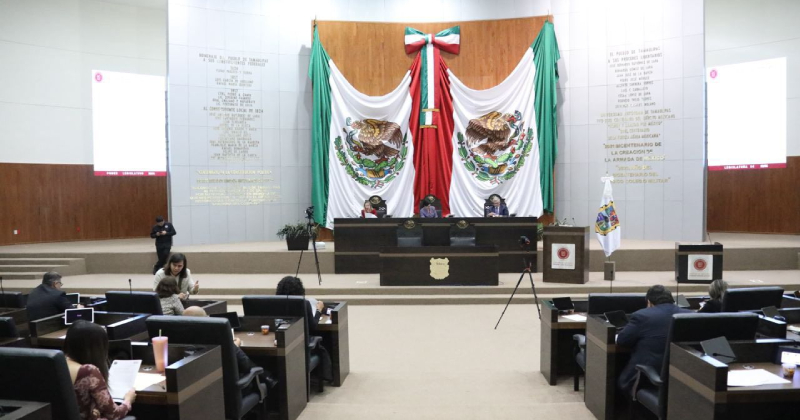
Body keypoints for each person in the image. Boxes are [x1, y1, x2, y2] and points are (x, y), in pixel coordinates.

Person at [616, 285, 690, 398]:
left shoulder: (642, 315)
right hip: (683, 379)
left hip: (647, 379)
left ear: (649, 302)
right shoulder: (689, 315)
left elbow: (622, 341)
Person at [183, 306, 278, 391]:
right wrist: (234, 346)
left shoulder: (182, 342)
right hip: (235, 390)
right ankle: (270, 380)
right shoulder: (219, 340)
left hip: (202, 392)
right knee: (257, 369)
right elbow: (245, 365)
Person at [64, 320, 136, 420]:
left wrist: (93, 410)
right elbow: (114, 414)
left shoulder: (57, 364)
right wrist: (128, 400)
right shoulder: (88, 371)